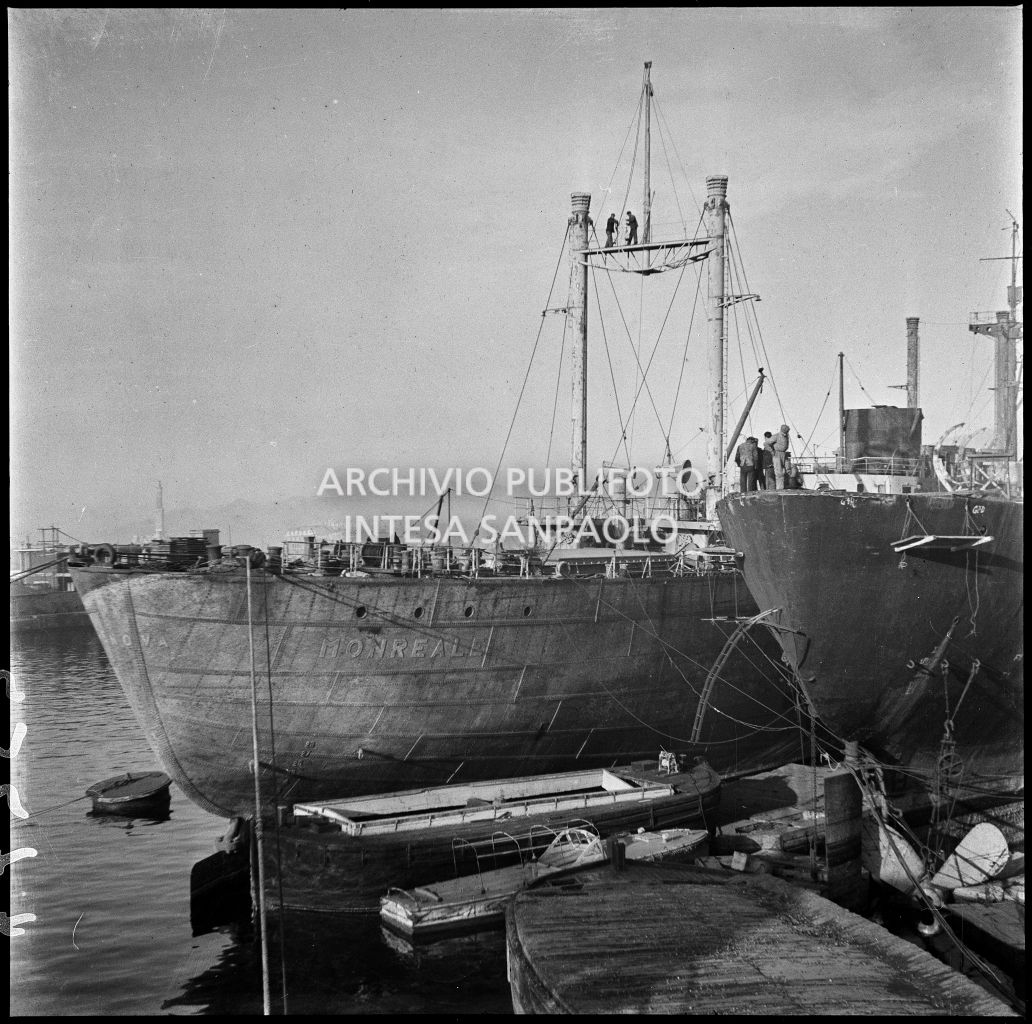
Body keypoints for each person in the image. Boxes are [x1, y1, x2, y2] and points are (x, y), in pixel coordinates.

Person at [772, 423, 792, 489]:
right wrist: (772, 451)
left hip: (784, 454)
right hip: (777, 454)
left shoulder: (786, 436)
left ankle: (785, 486)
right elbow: (767, 443)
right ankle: (779, 488)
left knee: (787, 469)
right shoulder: (776, 436)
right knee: (779, 472)